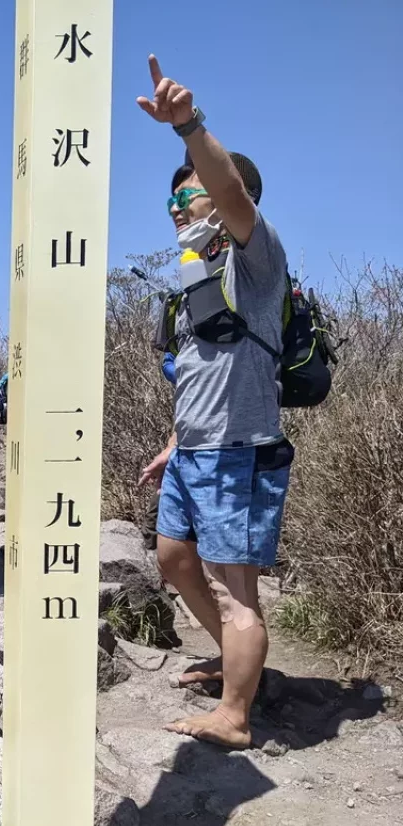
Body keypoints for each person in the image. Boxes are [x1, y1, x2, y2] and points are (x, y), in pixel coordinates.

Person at [135, 55, 293, 749]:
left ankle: (235, 716)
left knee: (237, 591)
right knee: (173, 557)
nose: (179, 203)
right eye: (172, 195)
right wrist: (174, 441)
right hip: (196, 451)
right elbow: (201, 375)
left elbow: (229, 189)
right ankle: (235, 664)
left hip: (238, 455)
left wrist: (190, 128)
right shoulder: (193, 278)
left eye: (189, 192)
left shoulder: (255, 260)